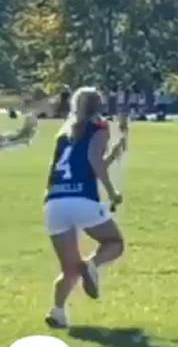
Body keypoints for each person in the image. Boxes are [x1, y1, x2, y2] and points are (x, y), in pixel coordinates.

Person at [42, 88, 127, 329]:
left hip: (54, 201)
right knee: (114, 242)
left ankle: (57, 312)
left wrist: (113, 155)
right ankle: (92, 264)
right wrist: (112, 192)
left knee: (69, 268)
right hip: (82, 198)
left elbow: (89, 165)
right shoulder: (99, 126)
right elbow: (93, 160)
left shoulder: (64, 132)